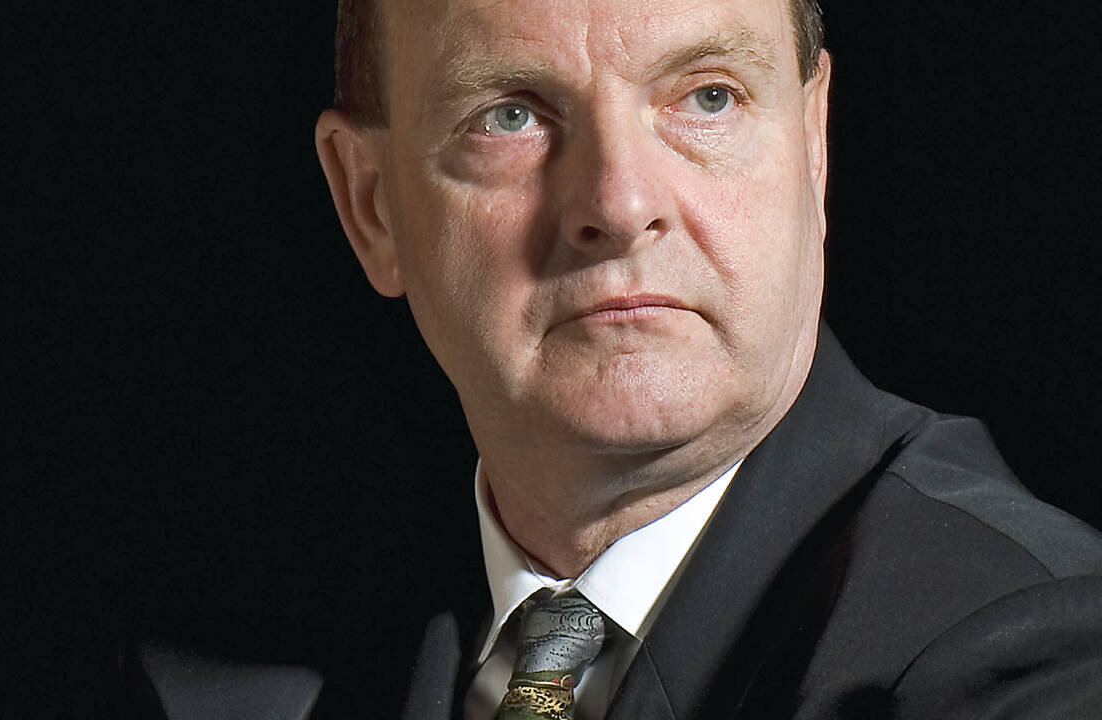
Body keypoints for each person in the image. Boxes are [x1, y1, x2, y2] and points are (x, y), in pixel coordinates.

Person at [122, 0, 1102, 717]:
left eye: (707, 97)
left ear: (813, 148)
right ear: (370, 205)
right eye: (510, 115)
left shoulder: (1028, 651)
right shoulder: (221, 669)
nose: (620, 203)